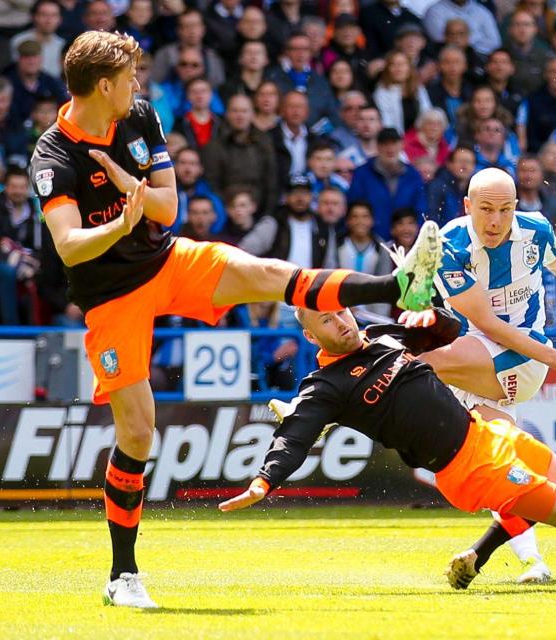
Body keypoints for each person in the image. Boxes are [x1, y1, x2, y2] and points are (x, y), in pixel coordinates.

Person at [29, 31, 446, 609]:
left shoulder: (140, 117)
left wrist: (133, 191)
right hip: (110, 296)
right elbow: (70, 246)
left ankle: (399, 286)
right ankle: (122, 575)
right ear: (105, 85)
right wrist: (119, 226)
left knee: (269, 272)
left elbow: (169, 207)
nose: (138, 86)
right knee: (137, 431)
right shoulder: (53, 154)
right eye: (130, 78)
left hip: (165, 260)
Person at [218, 305, 556, 595]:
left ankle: (475, 558)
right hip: (467, 467)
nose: (341, 322)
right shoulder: (324, 385)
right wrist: (264, 481)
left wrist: (428, 314)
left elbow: (447, 333)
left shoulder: (378, 333)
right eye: (326, 321)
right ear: (311, 335)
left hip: (484, 431)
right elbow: (293, 435)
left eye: (341, 311)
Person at [397, 168, 556, 581]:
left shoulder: (535, 230)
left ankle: (336, 403)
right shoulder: (451, 245)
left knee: (420, 364)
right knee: (550, 479)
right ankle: (513, 561)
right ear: (467, 206)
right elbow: (487, 324)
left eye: (506, 210)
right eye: (486, 210)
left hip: (522, 358)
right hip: (480, 358)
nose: (496, 221)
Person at [0, 167, 43, 325]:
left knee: (45, 268)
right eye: (14, 187)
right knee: (6, 271)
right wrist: (14, 257)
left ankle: (41, 327)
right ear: (5, 187)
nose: (18, 191)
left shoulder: (34, 212)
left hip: (25, 265)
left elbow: (40, 248)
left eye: (22, 187)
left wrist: (27, 259)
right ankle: (12, 328)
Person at [201, 94, 280, 217]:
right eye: (235, 111)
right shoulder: (214, 145)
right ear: (227, 114)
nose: (240, 115)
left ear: (252, 114)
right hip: (225, 212)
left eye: (244, 111)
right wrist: (231, 209)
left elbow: (271, 182)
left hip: (259, 211)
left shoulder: (264, 142)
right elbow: (212, 184)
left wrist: (266, 215)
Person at [347, 127, 426, 240]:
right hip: (371, 242)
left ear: (401, 145)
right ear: (377, 146)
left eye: (394, 143)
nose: (390, 149)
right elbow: (354, 206)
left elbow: (420, 209)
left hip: (405, 243)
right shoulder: (362, 174)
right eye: (385, 144)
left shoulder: (413, 175)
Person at [337, 200, 394, 316]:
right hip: (341, 308)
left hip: (371, 313)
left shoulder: (380, 247)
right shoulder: (338, 243)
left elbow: (384, 284)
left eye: (365, 216)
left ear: (372, 221)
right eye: (355, 216)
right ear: (348, 221)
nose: (360, 221)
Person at [426, 145, 475, 225]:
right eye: (460, 161)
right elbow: (432, 218)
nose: (464, 166)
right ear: (449, 164)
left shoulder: (474, 190)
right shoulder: (437, 187)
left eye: (468, 162)